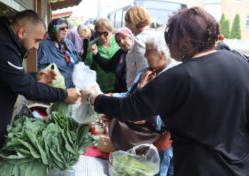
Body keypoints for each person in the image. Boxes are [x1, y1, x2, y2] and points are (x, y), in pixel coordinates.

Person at [82, 7, 249, 176]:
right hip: (239, 167)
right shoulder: (241, 62)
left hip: (198, 168)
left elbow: (130, 108)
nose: (168, 44)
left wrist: (94, 98)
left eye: (170, 37)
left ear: (184, 41)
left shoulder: (179, 76)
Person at [0, 10, 80, 176]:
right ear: (22, 31)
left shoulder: (1, 42)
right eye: (37, 40)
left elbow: (8, 77)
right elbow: (26, 88)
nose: (37, 47)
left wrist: (35, 77)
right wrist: (64, 94)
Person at [109, 30, 179, 176]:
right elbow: (129, 96)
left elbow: (178, 117)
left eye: (148, 52)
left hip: (161, 143)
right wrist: (108, 97)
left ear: (162, 53)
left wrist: (147, 115)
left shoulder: (176, 76)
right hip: (141, 138)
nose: (145, 55)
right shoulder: (145, 72)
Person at [38, 18, 81, 88]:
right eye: (62, 28)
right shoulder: (44, 46)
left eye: (67, 27)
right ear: (54, 30)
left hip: (74, 87)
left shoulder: (68, 43)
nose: (65, 30)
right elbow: (41, 70)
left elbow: (78, 59)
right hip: (59, 90)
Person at [91, 27, 134, 92]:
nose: (122, 42)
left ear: (130, 37)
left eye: (124, 38)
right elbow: (108, 66)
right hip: (120, 93)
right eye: (119, 41)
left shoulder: (139, 53)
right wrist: (96, 54)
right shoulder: (121, 53)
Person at [85, 18, 120, 93]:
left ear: (111, 31)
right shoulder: (93, 44)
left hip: (118, 85)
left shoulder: (119, 41)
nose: (102, 36)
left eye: (105, 33)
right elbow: (88, 66)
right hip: (101, 86)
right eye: (98, 33)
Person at [124, 5, 152, 88]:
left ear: (132, 21)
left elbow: (144, 70)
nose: (126, 26)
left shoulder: (139, 40)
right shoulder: (155, 35)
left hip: (138, 90)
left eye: (127, 22)